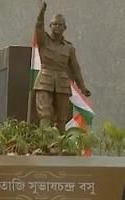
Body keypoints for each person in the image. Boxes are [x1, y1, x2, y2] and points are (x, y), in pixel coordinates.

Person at [32, 1, 91, 132]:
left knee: (62, 117)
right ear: (50, 26)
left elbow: (76, 69)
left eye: (60, 24)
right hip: (44, 80)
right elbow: (38, 26)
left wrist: (82, 87)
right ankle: (45, 138)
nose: (57, 27)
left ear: (65, 27)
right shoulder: (44, 40)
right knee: (45, 113)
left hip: (62, 83)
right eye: (54, 24)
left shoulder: (69, 48)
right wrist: (42, 12)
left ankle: (60, 141)